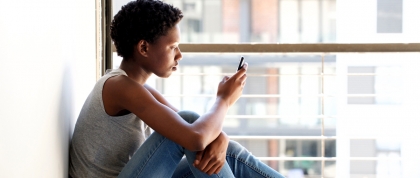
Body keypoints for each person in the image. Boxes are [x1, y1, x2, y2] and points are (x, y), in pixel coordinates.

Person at [69, 0, 285, 177]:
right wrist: (224, 100)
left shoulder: (139, 89)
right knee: (192, 124)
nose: (179, 55)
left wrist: (222, 139)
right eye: (172, 47)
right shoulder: (119, 87)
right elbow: (194, 136)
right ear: (144, 47)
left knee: (225, 152)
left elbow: (197, 132)